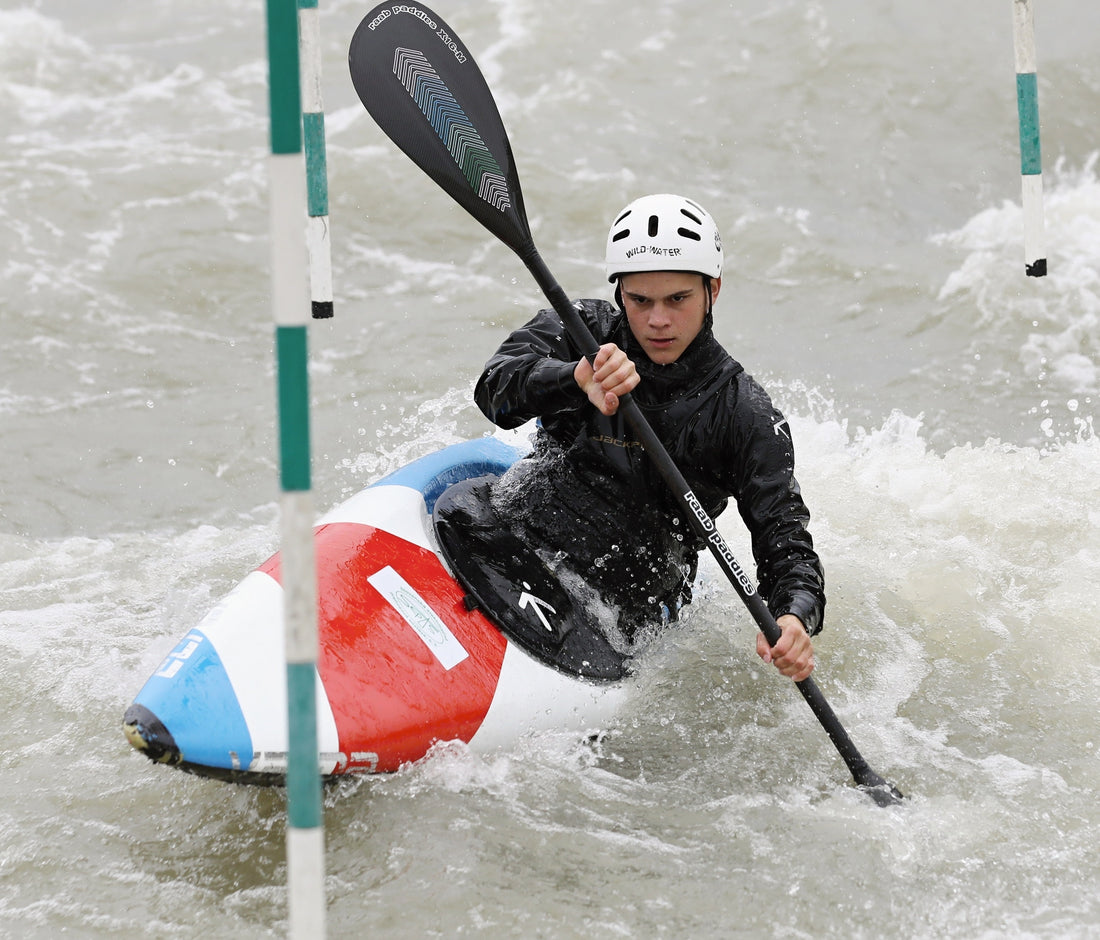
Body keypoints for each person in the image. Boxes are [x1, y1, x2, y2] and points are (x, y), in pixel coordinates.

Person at [473, 194, 824, 682]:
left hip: (621, 618)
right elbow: (494, 392)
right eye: (641, 301)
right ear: (621, 294)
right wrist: (572, 378)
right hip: (515, 540)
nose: (658, 320)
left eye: (677, 299)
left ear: (713, 291)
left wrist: (793, 616)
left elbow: (786, 544)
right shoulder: (581, 331)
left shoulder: (743, 414)